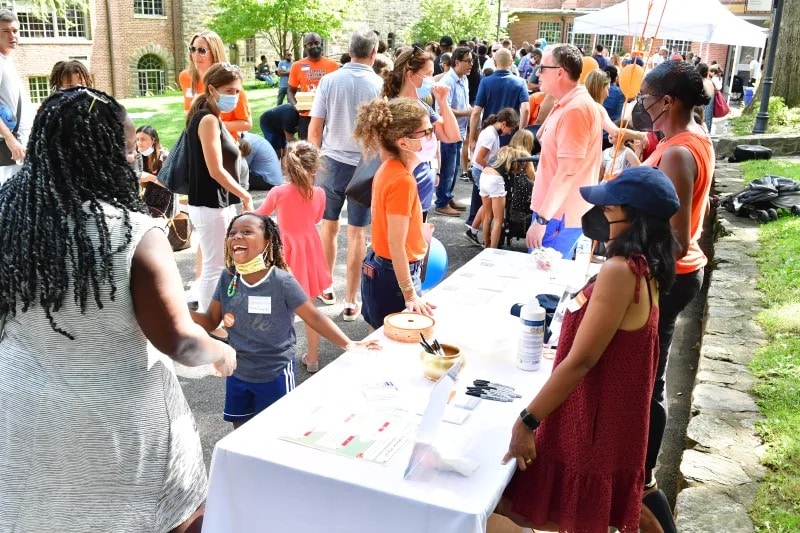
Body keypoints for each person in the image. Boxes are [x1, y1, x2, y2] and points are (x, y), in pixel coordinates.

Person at [0, 86, 237, 532]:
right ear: (101, 155)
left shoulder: (9, 214)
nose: (133, 160)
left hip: (21, 413)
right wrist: (221, 353)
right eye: (127, 151)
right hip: (116, 425)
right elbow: (180, 340)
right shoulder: (132, 231)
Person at [494, 165, 680, 533]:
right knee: (604, 510)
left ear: (633, 216)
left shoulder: (621, 270)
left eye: (609, 208)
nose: (600, 214)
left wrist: (527, 420)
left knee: (511, 509)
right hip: (613, 419)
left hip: (592, 420)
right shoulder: (647, 267)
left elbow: (582, 361)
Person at [190, 212, 379, 428]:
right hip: (238, 372)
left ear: (267, 241)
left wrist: (348, 343)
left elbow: (314, 317)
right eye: (232, 233)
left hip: (275, 373)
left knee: (278, 429)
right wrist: (175, 309)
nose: (237, 237)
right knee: (241, 430)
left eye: (247, 232)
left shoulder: (282, 282)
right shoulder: (228, 278)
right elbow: (211, 321)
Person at [636, 60, 713, 530]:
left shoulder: (679, 152)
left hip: (671, 275)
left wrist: (628, 243)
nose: (641, 105)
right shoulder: (687, 137)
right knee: (649, 376)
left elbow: (679, 237)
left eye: (646, 97)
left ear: (668, 102)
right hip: (677, 275)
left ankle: (644, 483)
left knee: (648, 381)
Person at [307, 29, 384, 321]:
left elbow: (315, 129)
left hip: (330, 161)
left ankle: (326, 286)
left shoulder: (329, 80)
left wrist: (313, 163)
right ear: (374, 52)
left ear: (349, 50)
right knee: (357, 233)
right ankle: (351, 300)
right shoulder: (379, 84)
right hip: (364, 165)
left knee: (328, 227)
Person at [353, 98, 435, 329]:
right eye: (426, 132)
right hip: (394, 274)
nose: (431, 136)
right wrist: (410, 294)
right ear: (403, 142)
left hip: (386, 269)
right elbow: (396, 244)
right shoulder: (402, 181)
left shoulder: (389, 168)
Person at [255, 141, 332, 372]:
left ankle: (276, 355)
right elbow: (317, 219)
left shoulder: (278, 192)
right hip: (310, 250)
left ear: (286, 166)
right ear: (315, 169)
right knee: (309, 305)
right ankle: (313, 357)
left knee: (279, 304)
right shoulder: (318, 193)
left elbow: (261, 216)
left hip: (285, 251)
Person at [186, 63, 254, 313]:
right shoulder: (207, 120)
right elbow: (215, 170)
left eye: (237, 91)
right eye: (230, 91)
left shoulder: (210, 117)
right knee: (214, 267)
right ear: (213, 90)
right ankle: (208, 321)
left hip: (215, 204)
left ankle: (215, 316)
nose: (234, 97)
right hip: (209, 204)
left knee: (219, 264)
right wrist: (244, 193)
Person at [526, 44, 603, 257]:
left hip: (557, 215)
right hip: (555, 212)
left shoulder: (575, 109)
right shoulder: (568, 103)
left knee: (544, 284)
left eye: (542, 68)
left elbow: (567, 171)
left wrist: (542, 219)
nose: (537, 73)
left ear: (560, 72)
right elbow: (541, 135)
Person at [383, 45, 460, 220]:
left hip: (421, 193)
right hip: (404, 193)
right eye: (428, 74)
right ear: (410, 75)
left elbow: (451, 136)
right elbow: (386, 156)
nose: (432, 80)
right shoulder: (395, 109)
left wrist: (443, 103)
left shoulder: (422, 105)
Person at [464, 108, 520, 246]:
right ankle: (476, 232)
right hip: (482, 171)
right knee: (490, 210)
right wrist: (496, 168)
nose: (509, 132)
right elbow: (479, 158)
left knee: (486, 207)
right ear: (504, 124)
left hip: (482, 172)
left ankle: (475, 231)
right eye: (510, 129)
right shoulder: (491, 134)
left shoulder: (491, 131)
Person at [434, 46, 472, 217]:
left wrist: (470, 111)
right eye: (468, 61)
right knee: (448, 168)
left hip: (460, 130)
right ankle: (441, 202)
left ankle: (447, 197)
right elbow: (443, 110)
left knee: (454, 168)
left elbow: (464, 104)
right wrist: (467, 112)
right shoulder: (447, 81)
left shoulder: (463, 79)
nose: (472, 64)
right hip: (449, 133)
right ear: (457, 62)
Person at [478, 140, 534, 248]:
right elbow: (532, 177)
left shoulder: (504, 150)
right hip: (495, 179)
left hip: (484, 175)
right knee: (499, 220)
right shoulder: (524, 155)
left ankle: (486, 245)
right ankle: (492, 249)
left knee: (488, 216)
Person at [0, 10, 32, 185]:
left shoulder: (7, 60)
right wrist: (11, 140)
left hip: (19, 143)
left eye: (15, 31)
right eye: (5, 31)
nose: (12, 36)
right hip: (9, 148)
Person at [288, 32, 339, 140]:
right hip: (306, 116)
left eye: (317, 43)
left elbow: (338, 91)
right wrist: (296, 106)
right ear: (305, 46)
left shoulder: (333, 65)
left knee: (327, 150)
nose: (314, 46)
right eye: (310, 44)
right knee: (307, 151)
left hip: (328, 116)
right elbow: (290, 91)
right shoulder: (297, 66)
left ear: (321, 44)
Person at [135, 125, 173, 217]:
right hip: (149, 199)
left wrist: (151, 177)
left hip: (166, 201)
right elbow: (145, 184)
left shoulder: (164, 157)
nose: (139, 143)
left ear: (154, 140)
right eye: (137, 139)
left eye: (143, 139)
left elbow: (171, 185)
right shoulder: (140, 157)